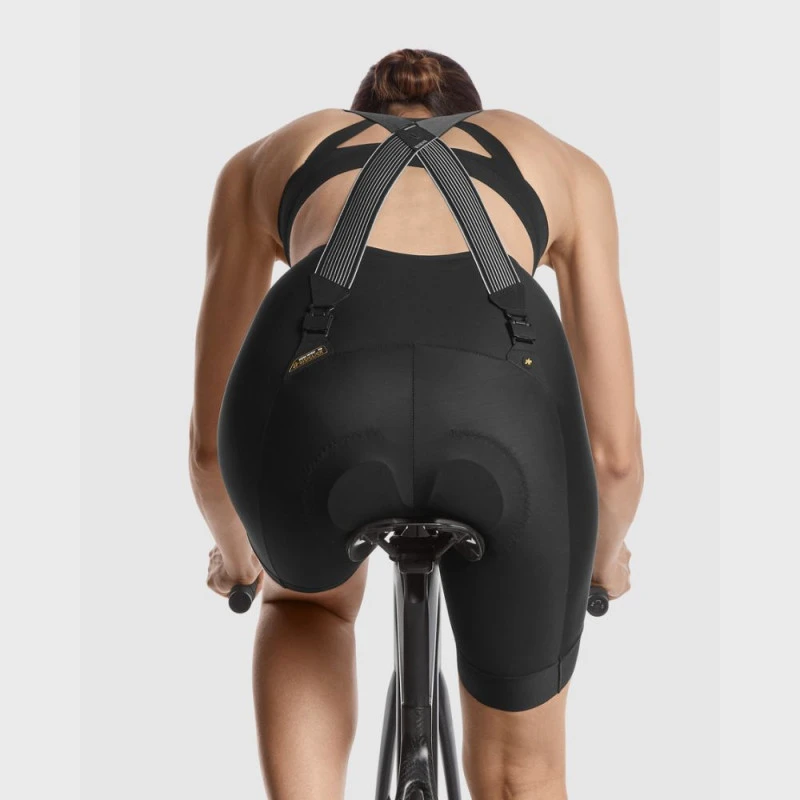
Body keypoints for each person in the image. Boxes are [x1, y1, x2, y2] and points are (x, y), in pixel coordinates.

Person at [189, 48, 643, 800]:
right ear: (472, 113)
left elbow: (210, 451)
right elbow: (615, 456)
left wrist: (241, 563)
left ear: (359, 112)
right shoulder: (564, 164)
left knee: (306, 601)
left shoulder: (270, 154)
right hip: (505, 411)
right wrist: (603, 563)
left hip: (320, 405)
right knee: (522, 774)